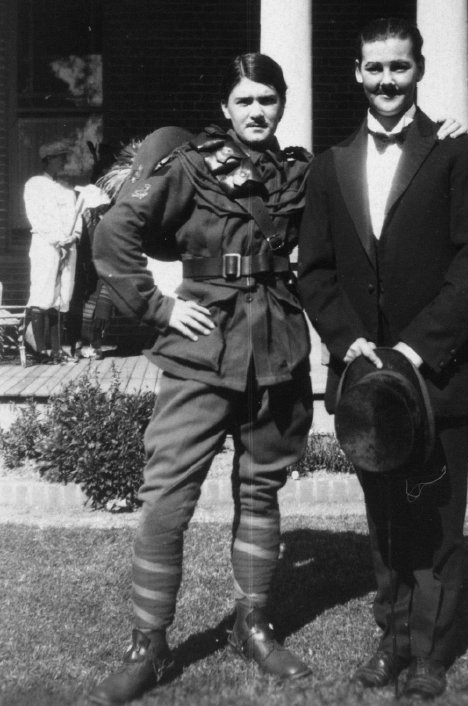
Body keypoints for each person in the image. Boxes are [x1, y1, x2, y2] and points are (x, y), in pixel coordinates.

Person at [88, 54, 314, 705]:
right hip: (201, 354)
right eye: (244, 100)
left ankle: (253, 622)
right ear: (226, 107)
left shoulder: (297, 171)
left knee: (261, 489)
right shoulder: (188, 166)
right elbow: (113, 237)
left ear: (281, 104)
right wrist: (159, 307)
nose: (256, 111)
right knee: (167, 499)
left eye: (267, 100)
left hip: (277, 351)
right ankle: (149, 644)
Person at [297, 18, 468, 701]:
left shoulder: (456, 154)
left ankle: (429, 653)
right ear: (356, 73)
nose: (387, 80)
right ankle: (392, 639)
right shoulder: (330, 166)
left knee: (436, 518)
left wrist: (417, 347)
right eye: (375, 68)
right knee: (386, 518)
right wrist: (345, 342)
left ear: (419, 69)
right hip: (365, 381)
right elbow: (316, 271)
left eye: (400, 67)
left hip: (436, 372)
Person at [23, 139, 82, 364]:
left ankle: (56, 351)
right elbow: (37, 217)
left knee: (61, 297)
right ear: (47, 160)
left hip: (67, 248)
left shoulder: (66, 188)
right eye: (59, 158)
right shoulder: (35, 185)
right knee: (42, 293)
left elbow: (76, 219)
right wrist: (57, 240)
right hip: (46, 246)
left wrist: (72, 237)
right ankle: (38, 351)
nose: (63, 162)